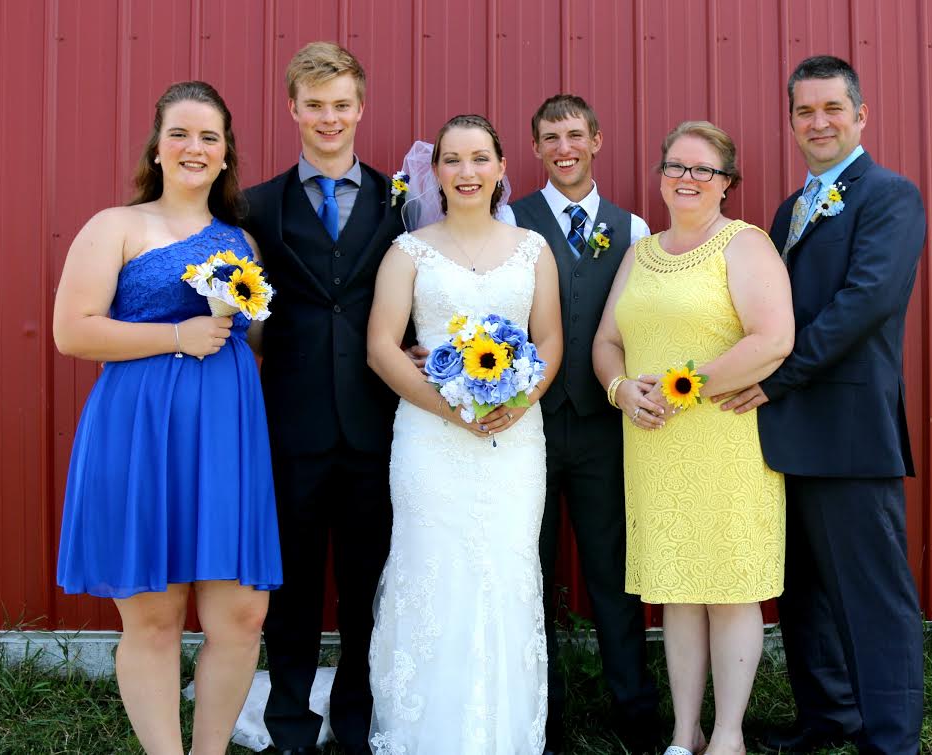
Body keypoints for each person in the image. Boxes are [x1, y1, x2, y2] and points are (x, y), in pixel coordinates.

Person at [53, 80, 282, 755]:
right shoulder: (116, 227)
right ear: (157, 147)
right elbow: (72, 331)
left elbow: (256, 331)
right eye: (180, 133)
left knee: (242, 613)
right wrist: (175, 337)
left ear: (224, 153)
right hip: (141, 430)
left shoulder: (240, 239)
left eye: (209, 137)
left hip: (226, 435)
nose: (194, 147)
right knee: (153, 615)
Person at [718, 55, 926, 755]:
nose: (818, 122)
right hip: (786, 436)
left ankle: (890, 740)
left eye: (831, 108)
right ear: (791, 122)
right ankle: (829, 716)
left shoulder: (888, 196)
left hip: (846, 428)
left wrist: (777, 377)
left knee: (871, 596)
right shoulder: (787, 210)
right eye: (804, 111)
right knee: (802, 591)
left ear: (860, 115)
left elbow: (863, 304)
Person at [592, 121, 794, 755]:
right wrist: (622, 388)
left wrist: (684, 386)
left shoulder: (745, 244)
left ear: (727, 183)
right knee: (676, 591)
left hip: (725, 439)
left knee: (730, 590)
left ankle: (729, 735)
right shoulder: (639, 254)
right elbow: (607, 341)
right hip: (654, 444)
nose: (686, 178)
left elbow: (772, 338)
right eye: (675, 166)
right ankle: (685, 732)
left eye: (703, 170)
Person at [365, 114, 563, 754]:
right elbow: (382, 348)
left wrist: (520, 399)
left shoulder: (532, 248)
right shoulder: (409, 251)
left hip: (514, 440)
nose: (467, 172)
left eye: (480, 158)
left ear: (503, 168)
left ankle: (503, 734)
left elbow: (551, 339)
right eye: (453, 160)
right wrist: (449, 410)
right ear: (436, 172)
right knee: (434, 571)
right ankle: (424, 733)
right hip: (430, 440)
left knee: (505, 573)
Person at [240, 42, 404, 755]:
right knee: (295, 591)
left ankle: (357, 723)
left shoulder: (400, 201)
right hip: (291, 423)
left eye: (341, 105)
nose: (329, 118)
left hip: (377, 422)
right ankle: (290, 729)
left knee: (368, 588)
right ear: (292, 110)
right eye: (315, 106)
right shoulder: (257, 205)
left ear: (360, 108)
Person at [505, 94, 661, 755]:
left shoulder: (632, 230)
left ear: (596, 140)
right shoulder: (508, 222)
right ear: (535, 149)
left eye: (575, 134)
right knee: (527, 574)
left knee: (611, 571)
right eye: (550, 137)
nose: (564, 146)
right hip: (525, 427)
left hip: (602, 427)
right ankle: (539, 715)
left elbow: (643, 326)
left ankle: (633, 708)